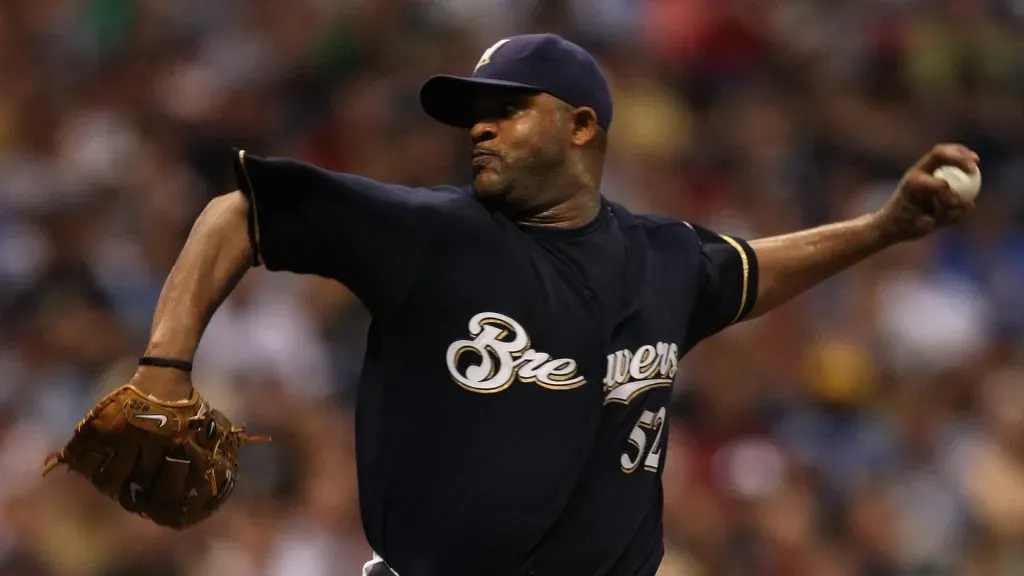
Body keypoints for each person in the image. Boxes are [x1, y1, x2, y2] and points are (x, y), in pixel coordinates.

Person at [102, 34, 977, 575]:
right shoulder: (430, 235)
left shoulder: (662, 257)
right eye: (473, 115)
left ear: (582, 127)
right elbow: (237, 214)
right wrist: (164, 365)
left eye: (508, 110)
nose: (478, 127)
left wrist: (883, 228)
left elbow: (746, 272)